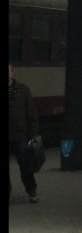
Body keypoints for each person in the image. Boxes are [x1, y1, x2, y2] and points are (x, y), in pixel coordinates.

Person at [9, 63, 40, 203]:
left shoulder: (23, 89)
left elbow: (31, 112)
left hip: (20, 135)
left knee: (25, 166)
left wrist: (32, 134)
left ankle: (32, 191)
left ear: (12, 72)